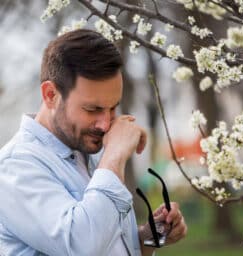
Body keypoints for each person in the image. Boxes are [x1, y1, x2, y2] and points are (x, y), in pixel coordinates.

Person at [0, 29, 187, 256]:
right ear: (50, 95)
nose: (105, 124)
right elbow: (81, 246)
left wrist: (147, 238)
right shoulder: (15, 167)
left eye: (113, 108)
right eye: (93, 109)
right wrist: (115, 157)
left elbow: (103, 242)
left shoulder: (88, 151)